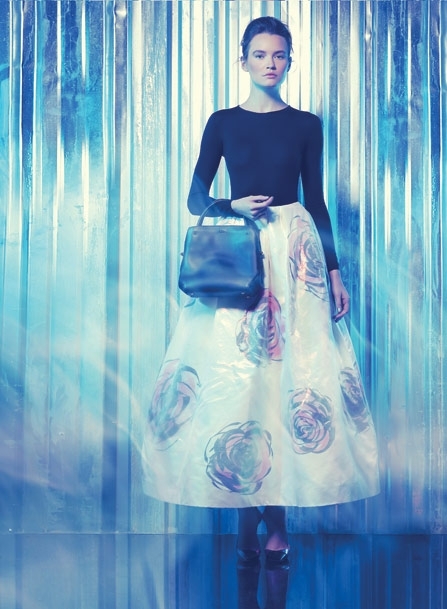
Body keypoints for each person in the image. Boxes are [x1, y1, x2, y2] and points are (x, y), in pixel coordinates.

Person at [142, 16, 379, 568]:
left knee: (291, 378)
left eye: (279, 55)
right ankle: (246, 521)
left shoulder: (306, 124)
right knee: (241, 379)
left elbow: (316, 200)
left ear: (290, 61)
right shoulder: (223, 121)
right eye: (260, 54)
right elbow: (195, 198)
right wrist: (233, 205)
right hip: (240, 250)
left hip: (295, 252)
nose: (270, 63)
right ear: (243, 60)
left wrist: (335, 272)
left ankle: (277, 527)